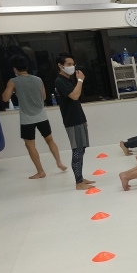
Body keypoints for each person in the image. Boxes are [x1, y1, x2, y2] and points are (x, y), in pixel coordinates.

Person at [1, 55, 66, 179]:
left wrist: (14, 90)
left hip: (27, 118)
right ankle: (59, 162)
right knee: (50, 140)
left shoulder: (13, 81)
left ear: (15, 68)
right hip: (41, 115)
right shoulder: (38, 79)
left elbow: (5, 98)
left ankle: (40, 171)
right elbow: (43, 96)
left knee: (30, 145)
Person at [55, 52, 95, 190]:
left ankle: (81, 177)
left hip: (78, 119)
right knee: (77, 150)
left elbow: (75, 103)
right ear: (60, 66)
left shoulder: (67, 80)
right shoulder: (60, 81)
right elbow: (75, 96)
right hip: (72, 121)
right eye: (68, 64)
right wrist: (80, 81)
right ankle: (78, 182)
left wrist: (83, 118)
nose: (72, 67)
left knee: (81, 149)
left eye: (73, 64)